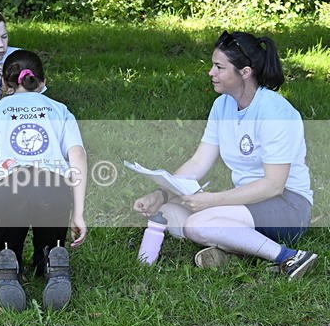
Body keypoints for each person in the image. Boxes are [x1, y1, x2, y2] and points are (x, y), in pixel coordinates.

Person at [133, 31, 317, 280]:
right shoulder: (222, 105)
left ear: (245, 72)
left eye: (219, 67)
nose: (211, 72)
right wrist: (160, 194)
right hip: (248, 202)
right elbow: (198, 162)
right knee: (167, 212)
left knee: (196, 224)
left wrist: (213, 201)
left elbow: (274, 185)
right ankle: (237, 251)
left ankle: (290, 257)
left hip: (287, 205)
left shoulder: (274, 112)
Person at [0, 50, 87, 311]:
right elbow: (78, 155)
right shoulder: (59, 110)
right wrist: (78, 213)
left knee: (6, 244)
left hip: (10, 187)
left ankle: (7, 261)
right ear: (42, 82)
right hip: (54, 187)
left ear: (4, 83)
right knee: (50, 243)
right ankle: (51, 259)